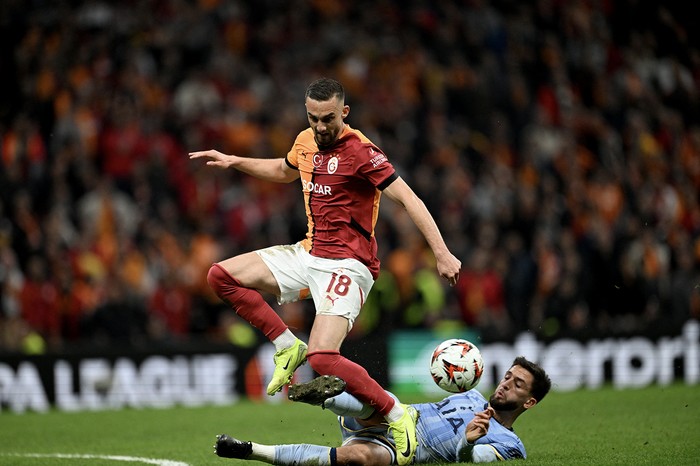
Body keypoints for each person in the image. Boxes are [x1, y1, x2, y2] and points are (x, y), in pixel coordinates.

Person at [189, 77, 462, 465]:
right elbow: (284, 171)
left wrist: (442, 252)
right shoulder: (304, 140)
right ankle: (286, 344)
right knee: (220, 275)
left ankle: (395, 413)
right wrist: (236, 162)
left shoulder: (362, 152)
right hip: (309, 253)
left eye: (328, 119)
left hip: (350, 264)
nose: (320, 127)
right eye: (313, 118)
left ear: (344, 112)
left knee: (322, 357)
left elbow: (409, 198)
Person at [214, 357, 551, 465]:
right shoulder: (474, 395)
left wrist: (467, 440)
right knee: (380, 404)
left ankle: (248, 450)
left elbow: (470, 459)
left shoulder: (510, 444)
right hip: (400, 418)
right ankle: (326, 397)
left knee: (358, 459)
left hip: (407, 450)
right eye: (508, 376)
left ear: (529, 402)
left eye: (518, 385)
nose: (506, 384)